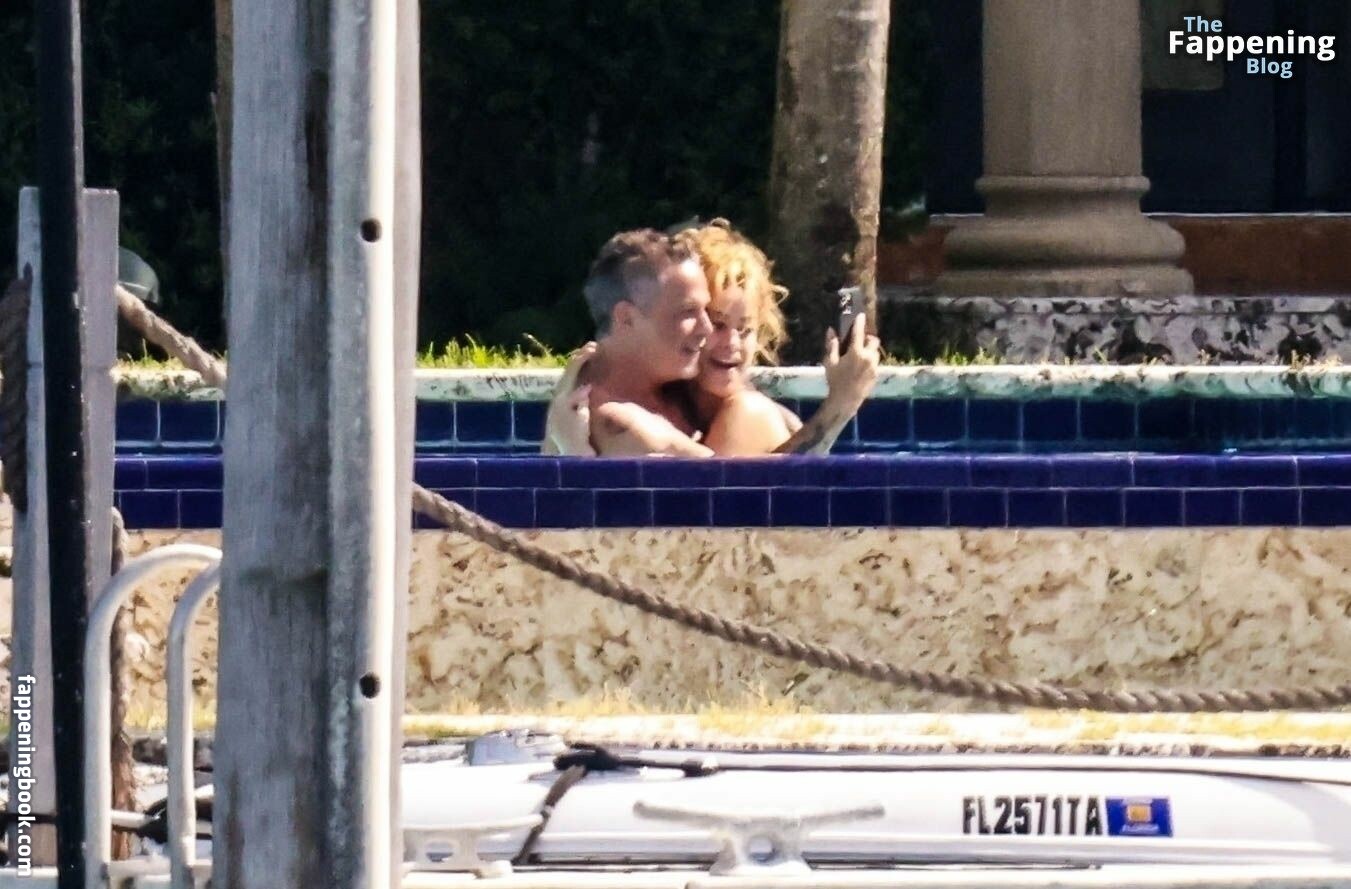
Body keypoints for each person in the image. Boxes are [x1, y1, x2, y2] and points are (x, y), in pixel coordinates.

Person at [545, 221, 880, 456]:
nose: (727, 341)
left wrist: (841, 405)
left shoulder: (747, 412)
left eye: (745, 329)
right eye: (716, 321)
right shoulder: (638, 406)